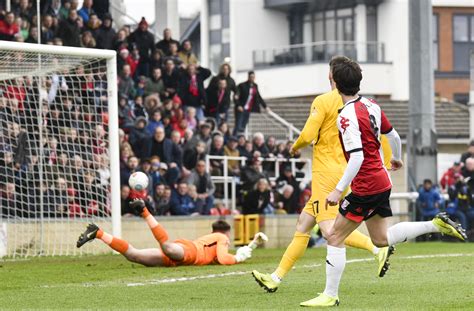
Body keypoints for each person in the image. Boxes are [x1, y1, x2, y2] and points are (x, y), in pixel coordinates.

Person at [300, 57, 466, 307]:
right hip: (382, 180)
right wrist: (396, 159)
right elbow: (394, 135)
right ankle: (435, 224)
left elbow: (356, 157)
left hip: (366, 185)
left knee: (334, 236)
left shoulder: (345, 116)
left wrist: (336, 191)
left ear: (333, 82)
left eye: (330, 74)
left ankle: (330, 295)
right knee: (380, 239)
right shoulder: (371, 105)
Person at [252, 56, 394, 294]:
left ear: (332, 76)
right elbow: (382, 135)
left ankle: (376, 248)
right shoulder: (362, 105)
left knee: (330, 232)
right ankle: (276, 277)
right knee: (303, 224)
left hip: (325, 174)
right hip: (345, 171)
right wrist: (387, 161)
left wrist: (295, 146)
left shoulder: (324, 101)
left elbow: (308, 135)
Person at [77, 200, 259, 267]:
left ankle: (98, 232)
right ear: (225, 232)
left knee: (134, 256)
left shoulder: (211, 237)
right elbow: (223, 258)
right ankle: (145, 212)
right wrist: (238, 258)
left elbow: (217, 257)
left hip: (181, 256)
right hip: (190, 253)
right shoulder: (222, 238)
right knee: (168, 247)